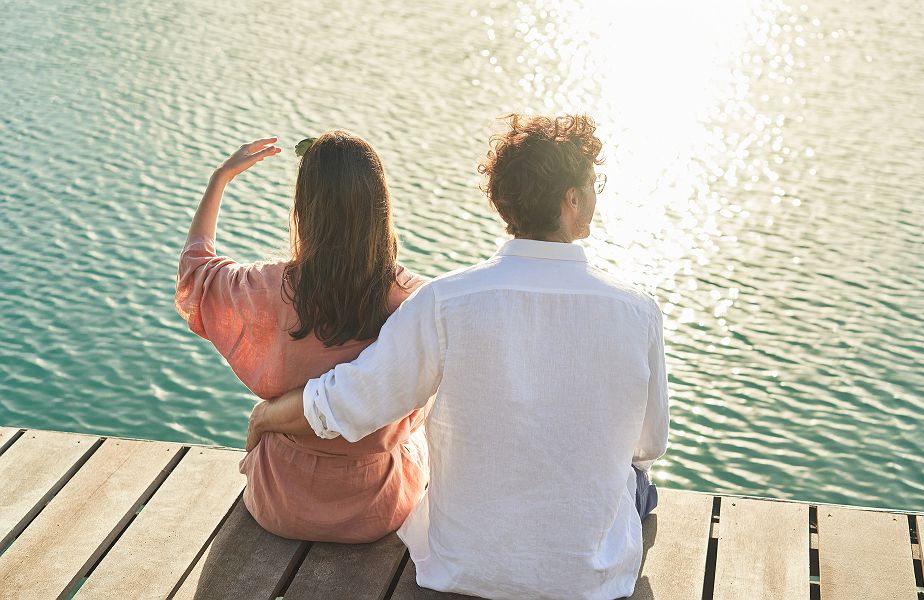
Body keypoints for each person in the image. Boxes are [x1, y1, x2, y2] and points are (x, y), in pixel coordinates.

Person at [246, 114, 669, 600]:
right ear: (571, 199)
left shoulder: (444, 302)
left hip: (463, 568)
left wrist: (265, 416)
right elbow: (649, 444)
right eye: (593, 184)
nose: (596, 196)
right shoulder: (638, 312)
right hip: (590, 579)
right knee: (637, 482)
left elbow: (346, 403)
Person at [174, 132, 429, 543]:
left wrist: (219, 179)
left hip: (280, 503)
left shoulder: (270, 286)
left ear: (303, 209)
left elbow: (195, 272)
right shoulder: (416, 299)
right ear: (380, 207)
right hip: (376, 506)